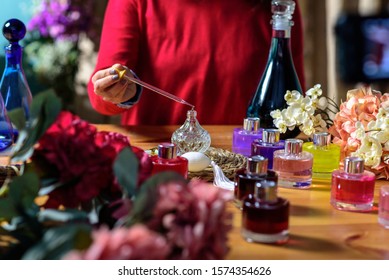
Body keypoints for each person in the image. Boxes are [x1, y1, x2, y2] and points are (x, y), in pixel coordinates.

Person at [88, 0, 305, 126]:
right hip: (159, 166)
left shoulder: (279, 8)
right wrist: (118, 92)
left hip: (245, 166)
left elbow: (292, 106)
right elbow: (101, 96)